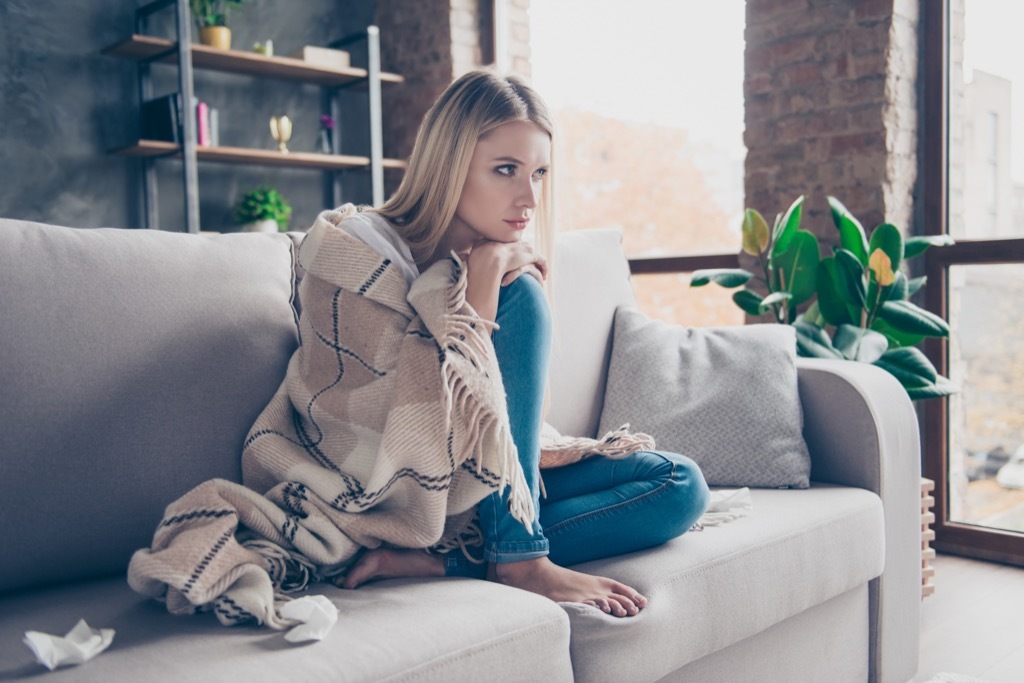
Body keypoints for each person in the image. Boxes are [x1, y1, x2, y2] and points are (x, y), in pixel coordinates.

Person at [330, 69, 710, 618]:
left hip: (489, 490)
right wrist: (479, 285)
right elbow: (397, 418)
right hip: (405, 486)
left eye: (538, 173)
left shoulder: (509, 263)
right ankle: (519, 559)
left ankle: (457, 561)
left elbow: (512, 441)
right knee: (525, 297)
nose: (528, 197)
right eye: (505, 170)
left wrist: (487, 271)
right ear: (450, 164)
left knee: (679, 482)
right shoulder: (360, 249)